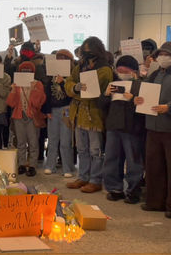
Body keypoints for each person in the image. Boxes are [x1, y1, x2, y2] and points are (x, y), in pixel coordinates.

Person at [65, 37, 113, 193]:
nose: (85, 53)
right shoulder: (80, 67)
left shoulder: (105, 69)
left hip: (95, 115)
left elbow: (94, 92)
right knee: (81, 148)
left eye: (88, 50)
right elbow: (68, 83)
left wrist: (78, 91)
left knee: (95, 150)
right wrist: (75, 87)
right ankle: (83, 177)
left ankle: (96, 180)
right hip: (78, 114)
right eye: (84, 50)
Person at [99, 55, 144, 204]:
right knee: (111, 159)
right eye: (119, 69)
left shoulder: (140, 85)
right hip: (114, 127)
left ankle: (133, 190)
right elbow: (102, 105)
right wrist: (106, 95)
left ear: (133, 71)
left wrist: (132, 98)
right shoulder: (113, 84)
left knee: (133, 161)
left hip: (132, 127)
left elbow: (145, 106)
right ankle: (115, 189)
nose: (121, 72)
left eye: (125, 69)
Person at [135, 41, 171, 218]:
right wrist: (138, 100)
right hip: (152, 126)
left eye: (167, 54)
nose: (163, 57)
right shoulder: (155, 73)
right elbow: (145, 93)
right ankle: (154, 201)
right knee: (153, 166)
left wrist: (169, 107)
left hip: (168, 127)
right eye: (161, 54)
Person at [7, 61, 46, 177]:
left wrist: (34, 90)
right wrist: (13, 91)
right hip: (19, 116)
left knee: (33, 142)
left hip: (31, 116)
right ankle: (22, 164)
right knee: (20, 142)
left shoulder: (38, 84)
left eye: (28, 70)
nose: (26, 72)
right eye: (23, 70)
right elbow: (11, 103)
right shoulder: (17, 84)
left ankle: (33, 165)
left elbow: (37, 103)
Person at [43, 49, 75, 177]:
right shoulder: (51, 76)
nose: (60, 60)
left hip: (66, 109)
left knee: (66, 140)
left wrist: (63, 82)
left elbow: (70, 94)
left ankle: (67, 168)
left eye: (63, 58)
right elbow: (47, 94)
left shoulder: (72, 76)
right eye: (59, 58)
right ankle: (50, 165)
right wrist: (47, 110)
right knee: (52, 139)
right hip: (53, 110)